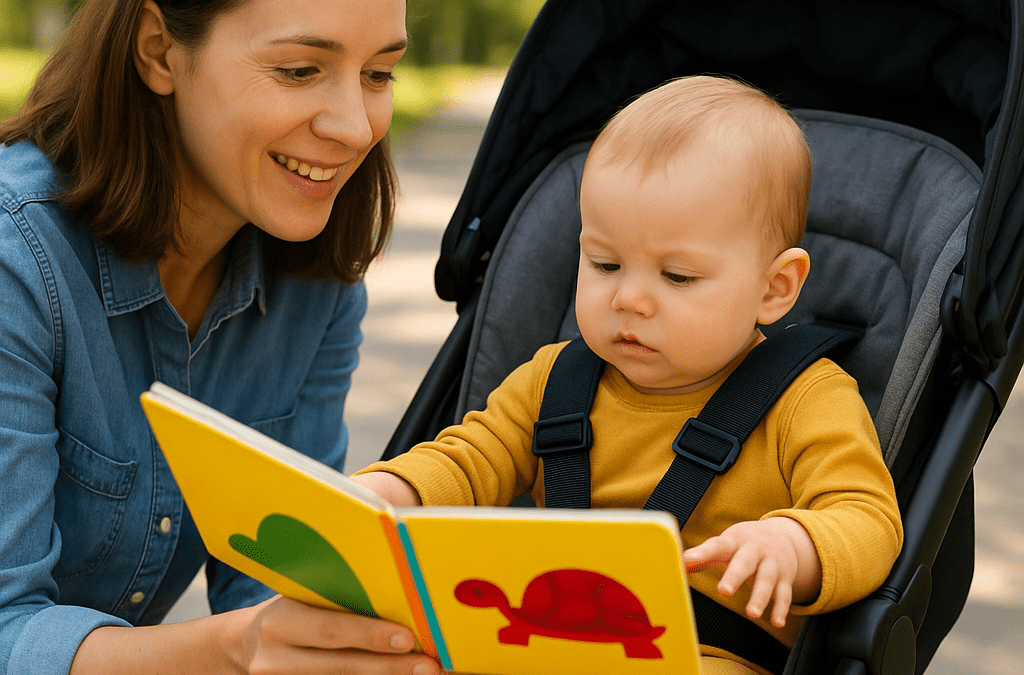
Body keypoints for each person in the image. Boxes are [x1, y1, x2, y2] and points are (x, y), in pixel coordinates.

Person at [353, 75, 904, 675]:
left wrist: (792, 546)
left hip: (705, 652)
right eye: (606, 263)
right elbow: (468, 460)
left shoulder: (806, 400)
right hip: (543, 637)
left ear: (775, 289)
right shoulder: (553, 381)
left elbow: (865, 517)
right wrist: (392, 492)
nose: (630, 299)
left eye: (678, 277)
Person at [0, 1, 441, 674]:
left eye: (380, 74)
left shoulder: (318, 281)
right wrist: (240, 648)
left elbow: (279, 587)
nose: (356, 127)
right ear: (158, 50)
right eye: (300, 69)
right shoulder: (18, 260)